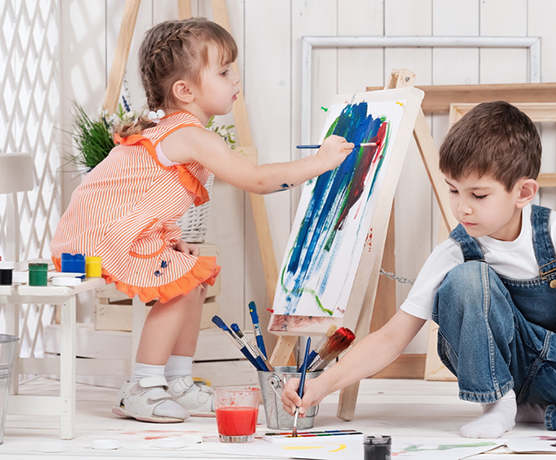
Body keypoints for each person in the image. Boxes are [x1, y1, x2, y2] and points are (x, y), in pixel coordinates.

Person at [281, 101, 556, 443]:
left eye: (478, 194)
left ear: (523, 193)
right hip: (487, 365)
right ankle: (497, 400)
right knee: (469, 279)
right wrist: (319, 386)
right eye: (453, 190)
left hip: (553, 361)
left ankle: (532, 409)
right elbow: (391, 337)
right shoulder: (455, 250)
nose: (462, 208)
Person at [51, 18, 353, 423]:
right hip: (100, 232)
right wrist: (320, 162)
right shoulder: (191, 135)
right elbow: (257, 180)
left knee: (191, 280)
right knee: (179, 288)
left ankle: (177, 381)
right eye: (224, 71)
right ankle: (141, 386)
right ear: (185, 90)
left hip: (117, 224)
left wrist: (168, 238)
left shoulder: (180, 132)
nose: (236, 80)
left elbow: (148, 194)